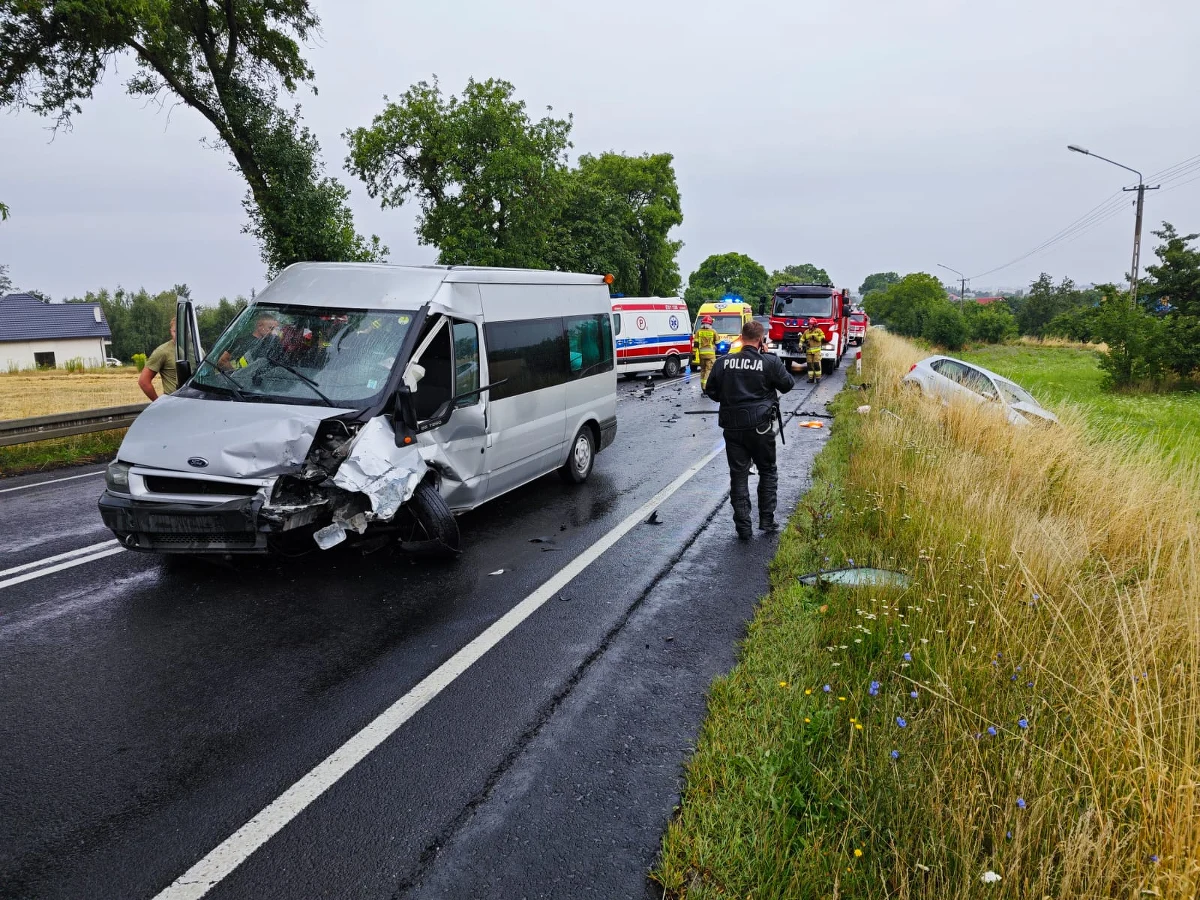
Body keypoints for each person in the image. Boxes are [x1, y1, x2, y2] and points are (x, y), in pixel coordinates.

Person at [704, 320, 794, 539]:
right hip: (760, 427)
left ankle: (743, 527)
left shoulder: (723, 362)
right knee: (767, 471)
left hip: (732, 427)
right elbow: (787, 384)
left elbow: (711, 390)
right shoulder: (769, 362)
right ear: (761, 340)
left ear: (741, 338)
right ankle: (767, 520)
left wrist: (729, 398)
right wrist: (768, 357)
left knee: (738, 474)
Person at [138, 319, 177, 401]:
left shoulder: (197, 350)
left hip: (196, 402)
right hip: (173, 403)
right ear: (170, 331)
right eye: (175, 331)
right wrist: (158, 403)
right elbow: (143, 381)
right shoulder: (162, 351)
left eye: (181, 331)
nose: (178, 335)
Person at [801, 318, 826, 384]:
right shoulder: (806, 332)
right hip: (809, 351)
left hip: (817, 352)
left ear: (814, 325)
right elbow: (802, 339)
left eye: (811, 324)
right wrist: (800, 346)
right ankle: (811, 379)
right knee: (809, 365)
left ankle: (818, 378)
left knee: (816, 364)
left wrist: (816, 337)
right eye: (809, 324)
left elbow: (823, 337)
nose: (809, 325)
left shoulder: (818, 331)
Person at [695, 315, 717, 389]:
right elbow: (717, 342)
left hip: (701, 355)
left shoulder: (698, 332)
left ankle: (702, 387)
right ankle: (705, 387)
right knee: (708, 370)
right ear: (710, 324)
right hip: (710, 356)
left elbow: (696, 344)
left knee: (703, 370)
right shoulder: (713, 331)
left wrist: (694, 353)